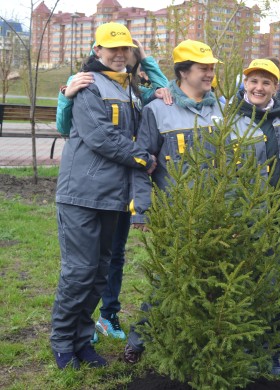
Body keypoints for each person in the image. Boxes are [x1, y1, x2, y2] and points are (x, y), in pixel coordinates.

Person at [50, 22, 156, 370]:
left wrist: (150, 68)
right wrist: (142, 157)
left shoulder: (130, 88)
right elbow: (99, 136)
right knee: (79, 272)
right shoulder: (87, 84)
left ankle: (82, 342)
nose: (119, 54)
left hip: (112, 198)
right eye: (112, 48)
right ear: (97, 50)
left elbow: (163, 94)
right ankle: (63, 342)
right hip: (81, 195)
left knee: (97, 275)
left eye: (125, 48)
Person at [124, 39, 224, 363]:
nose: (209, 73)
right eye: (203, 68)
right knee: (168, 279)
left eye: (211, 68)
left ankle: (204, 342)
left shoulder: (220, 109)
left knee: (213, 279)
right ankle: (138, 341)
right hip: (175, 213)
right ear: (183, 72)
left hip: (216, 213)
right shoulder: (158, 109)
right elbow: (141, 163)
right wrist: (143, 210)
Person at [233, 58, 280, 376]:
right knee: (240, 283)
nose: (259, 87)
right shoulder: (227, 118)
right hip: (239, 221)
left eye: (266, 82)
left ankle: (271, 352)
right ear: (245, 83)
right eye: (253, 80)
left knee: (276, 286)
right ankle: (240, 345)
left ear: (276, 86)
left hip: (278, 218)